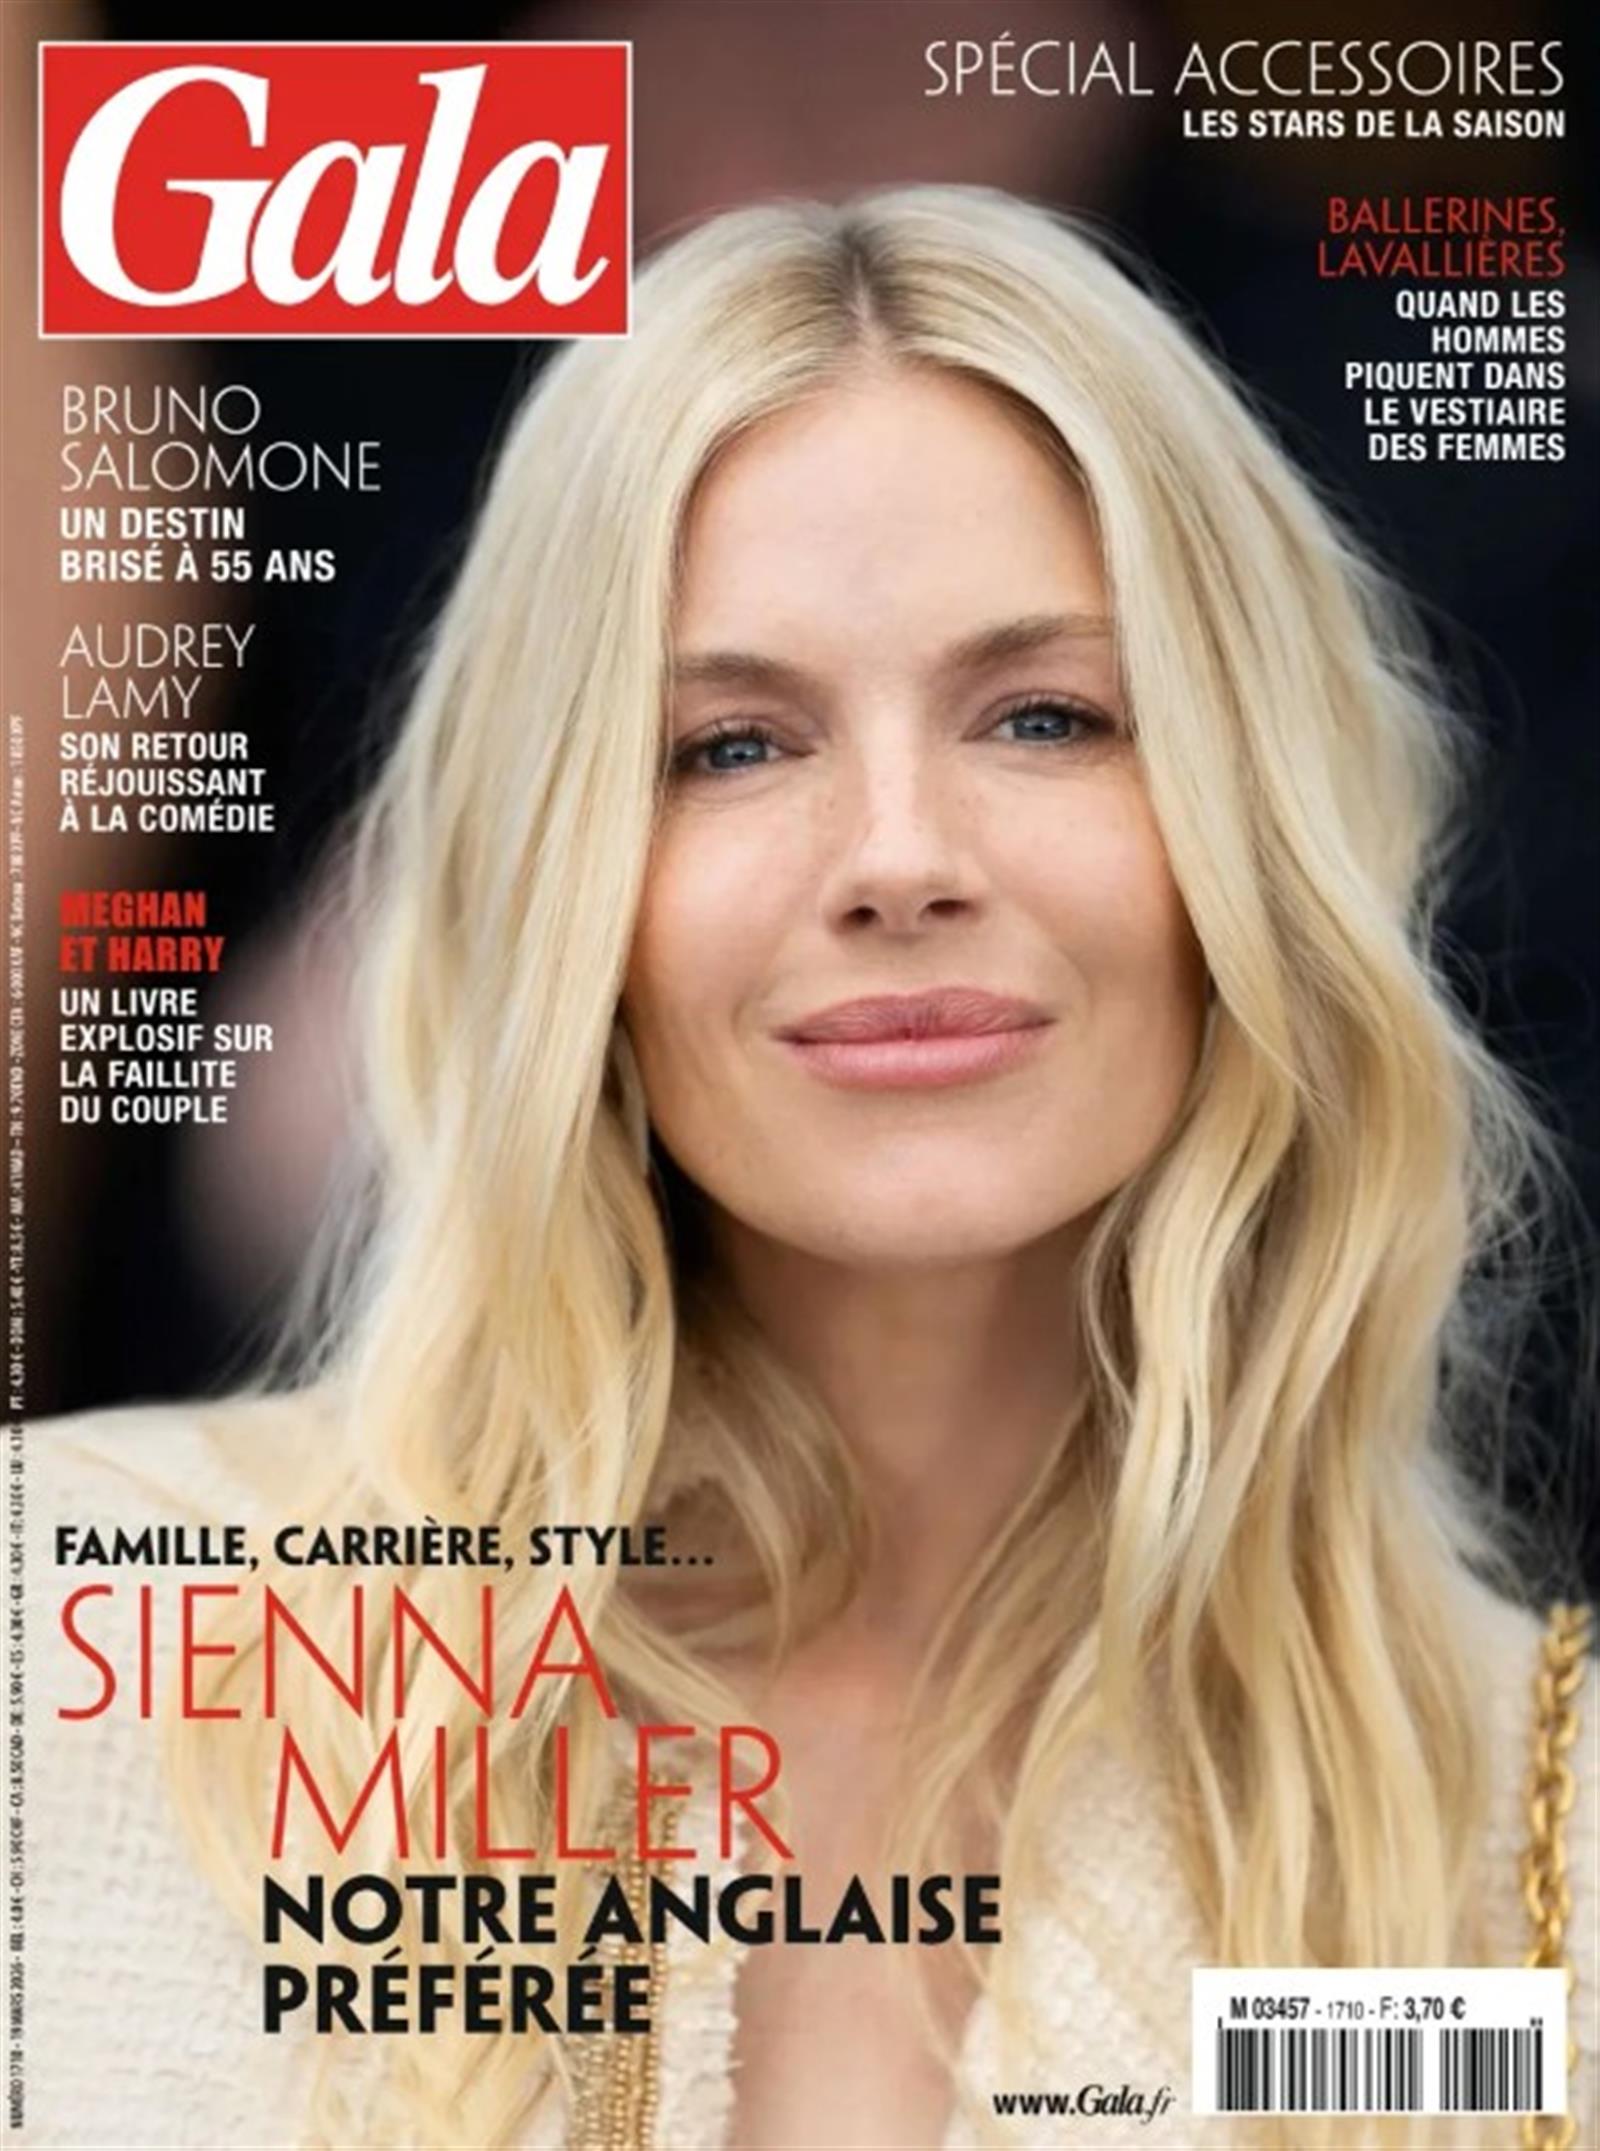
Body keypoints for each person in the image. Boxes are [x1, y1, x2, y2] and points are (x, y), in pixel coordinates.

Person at [26, 186, 1596, 2151]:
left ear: (1248, 838)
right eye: (731, 745)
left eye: (1046, 715)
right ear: (563, 887)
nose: (898, 854)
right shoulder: (71, 1642)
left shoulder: (1537, 1838)